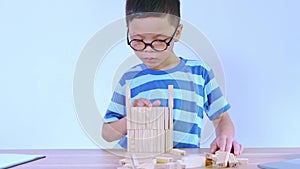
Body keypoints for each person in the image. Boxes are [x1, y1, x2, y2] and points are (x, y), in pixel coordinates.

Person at [102, 0, 243, 155]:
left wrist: (224, 138)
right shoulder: (129, 78)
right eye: (138, 40)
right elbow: (107, 134)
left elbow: (221, 117)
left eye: (160, 41)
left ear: (177, 33)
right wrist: (134, 119)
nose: (148, 50)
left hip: (183, 162)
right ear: (128, 31)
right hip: (137, 162)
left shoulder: (199, 73)